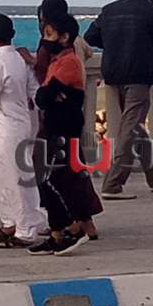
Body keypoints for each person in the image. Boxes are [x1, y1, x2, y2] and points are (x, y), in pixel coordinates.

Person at [85, 0, 153, 199]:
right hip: (139, 75)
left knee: (134, 126)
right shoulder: (149, 11)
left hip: (114, 74)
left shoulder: (109, 10)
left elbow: (90, 37)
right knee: (130, 129)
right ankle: (113, 184)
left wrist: (113, 42)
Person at [28, 13, 104, 255]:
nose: (45, 39)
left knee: (57, 178)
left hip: (63, 129)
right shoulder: (56, 62)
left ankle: (72, 225)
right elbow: (45, 96)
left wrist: (51, 95)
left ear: (64, 37)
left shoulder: (69, 62)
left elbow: (44, 96)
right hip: (53, 126)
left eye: (49, 34)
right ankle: (57, 232)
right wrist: (50, 96)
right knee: (50, 176)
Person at [0, 13, 45, 248]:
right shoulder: (19, 59)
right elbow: (34, 89)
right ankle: (11, 219)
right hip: (13, 126)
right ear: (12, 34)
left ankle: (26, 230)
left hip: (9, 129)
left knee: (17, 178)